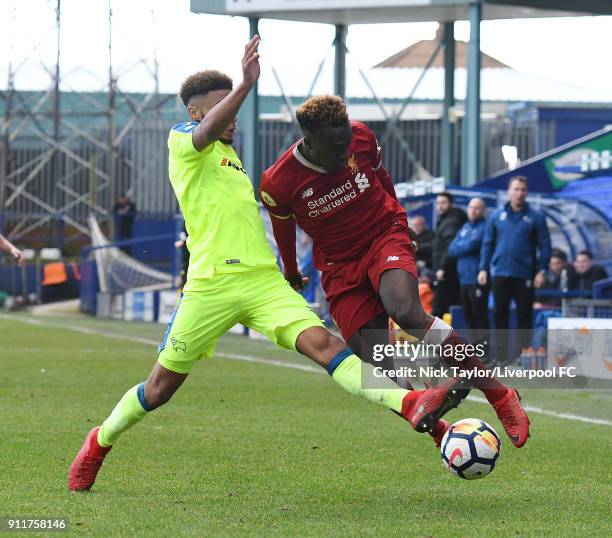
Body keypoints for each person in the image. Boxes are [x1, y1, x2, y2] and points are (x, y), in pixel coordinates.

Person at [67, 37, 468, 492]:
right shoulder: (183, 142)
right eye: (221, 108)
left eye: (233, 107)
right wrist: (245, 84)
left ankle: (418, 406)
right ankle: (98, 441)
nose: (232, 117)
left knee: (329, 347)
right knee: (158, 390)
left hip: (263, 283)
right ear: (197, 113)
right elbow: (203, 133)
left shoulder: (233, 160)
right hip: (210, 286)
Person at [260, 94, 530, 450]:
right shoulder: (277, 183)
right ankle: (439, 430)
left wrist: (401, 219)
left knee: (406, 310)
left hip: (381, 234)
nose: (345, 153)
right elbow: (283, 230)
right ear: (309, 141)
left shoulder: (360, 136)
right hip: (339, 265)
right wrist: (292, 272)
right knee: (378, 369)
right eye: (335, 147)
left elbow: (380, 176)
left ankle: (499, 394)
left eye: (346, 144)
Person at [478, 175, 551, 363]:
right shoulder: (496, 216)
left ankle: (522, 357)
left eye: (523, 190)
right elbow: (487, 244)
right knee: (499, 315)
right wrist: (483, 268)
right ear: (509, 192)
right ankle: (501, 358)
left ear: (527, 192)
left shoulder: (536, 217)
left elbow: (545, 246)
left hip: (525, 274)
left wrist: (542, 271)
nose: (519, 193)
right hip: (500, 273)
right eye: (516, 189)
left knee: (524, 317)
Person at [447, 197, 489, 341]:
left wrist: (464, 246)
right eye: (471, 207)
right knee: (469, 317)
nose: (473, 210)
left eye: (477, 208)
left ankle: (484, 352)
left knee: (479, 317)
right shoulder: (465, 227)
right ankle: (474, 350)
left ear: (483, 211)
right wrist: (466, 246)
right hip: (463, 278)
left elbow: (474, 244)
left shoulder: (485, 227)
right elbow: (452, 250)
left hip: (477, 278)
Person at [431, 192, 467, 318]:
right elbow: (438, 246)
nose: (440, 206)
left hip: (446, 273)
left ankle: (435, 338)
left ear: (450, 204)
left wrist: (442, 268)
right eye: (438, 203)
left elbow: (449, 247)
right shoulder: (445, 221)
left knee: (438, 309)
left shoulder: (451, 221)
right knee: (447, 309)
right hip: (449, 272)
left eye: (443, 203)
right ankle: (446, 338)